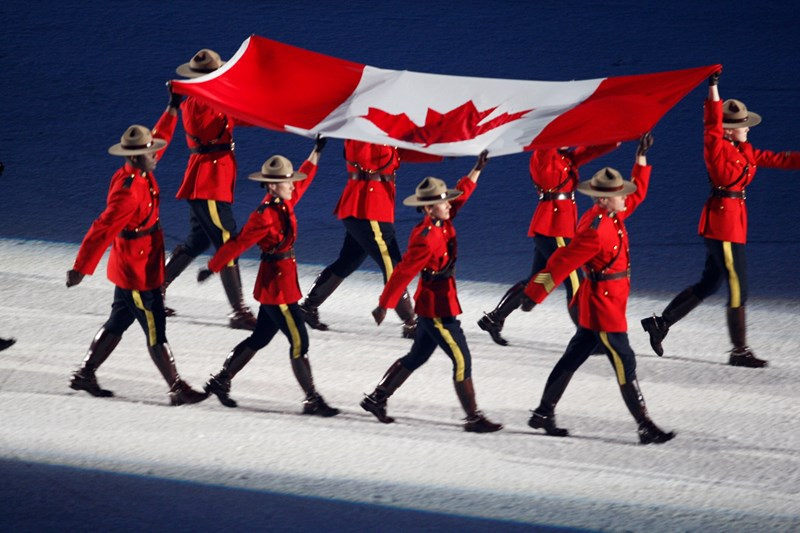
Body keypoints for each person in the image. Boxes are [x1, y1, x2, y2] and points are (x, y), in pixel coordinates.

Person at [640, 71, 800, 368]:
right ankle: (739, 350)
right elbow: (710, 122)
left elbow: (779, 159)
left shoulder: (746, 151)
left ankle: (660, 324)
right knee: (738, 284)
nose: (747, 130)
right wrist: (713, 87)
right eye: (742, 126)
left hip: (733, 223)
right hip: (722, 224)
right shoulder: (716, 148)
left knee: (709, 284)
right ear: (727, 130)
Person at [523, 134, 675, 445]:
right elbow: (561, 262)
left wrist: (641, 159)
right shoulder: (594, 230)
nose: (626, 198)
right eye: (620, 194)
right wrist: (534, 294)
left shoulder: (613, 214)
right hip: (602, 306)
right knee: (624, 361)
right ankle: (644, 424)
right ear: (604, 199)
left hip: (608, 301)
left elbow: (639, 194)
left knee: (573, 357)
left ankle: (543, 412)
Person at [66, 100, 207, 406]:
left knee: (118, 320)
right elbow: (102, 228)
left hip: (139, 261)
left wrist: (172, 108)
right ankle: (176, 387)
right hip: (137, 271)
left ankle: (85, 373)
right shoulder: (129, 190)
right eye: (150, 152)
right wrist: (81, 268)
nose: (156, 154)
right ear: (137, 155)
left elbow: (160, 139)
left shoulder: (139, 168)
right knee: (155, 327)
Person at [361, 151, 503, 433]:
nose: (448, 204)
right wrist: (384, 304)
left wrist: (476, 169)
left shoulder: (442, 221)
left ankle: (376, 398)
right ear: (428, 208)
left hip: (437, 303)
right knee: (461, 359)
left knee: (417, 357)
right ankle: (473, 418)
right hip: (437, 308)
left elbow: (460, 196)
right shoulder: (426, 238)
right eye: (442, 202)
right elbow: (403, 271)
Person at [198, 137, 339, 417]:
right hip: (278, 289)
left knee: (260, 338)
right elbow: (237, 244)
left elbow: (305, 179)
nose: (292, 185)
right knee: (300, 341)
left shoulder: (284, 203)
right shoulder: (263, 216)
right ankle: (312, 398)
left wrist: (316, 152)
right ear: (274, 186)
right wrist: (213, 266)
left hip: (280, 283)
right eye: (287, 182)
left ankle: (221, 380)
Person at [478, 142, 619, 346]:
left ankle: (495, 318)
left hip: (559, 227)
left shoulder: (566, 159)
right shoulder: (543, 155)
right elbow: (546, 141)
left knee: (537, 279)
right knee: (574, 282)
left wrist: (615, 138)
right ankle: (586, 338)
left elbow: (591, 149)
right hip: (552, 227)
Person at [299, 140, 441, 338]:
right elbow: (364, 155)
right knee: (394, 267)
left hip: (370, 208)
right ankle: (411, 323)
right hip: (367, 208)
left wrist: (442, 149)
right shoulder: (361, 135)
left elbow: (403, 152)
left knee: (348, 261)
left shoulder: (383, 135)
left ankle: (308, 307)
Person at [161, 49, 257, 330]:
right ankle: (238, 311)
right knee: (228, 243)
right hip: (208, 184)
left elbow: (248, 116)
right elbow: (215, 122)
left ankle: (153, 291)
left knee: (198, 241)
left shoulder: (213, 101)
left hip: (212, 182)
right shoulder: (198, 104)